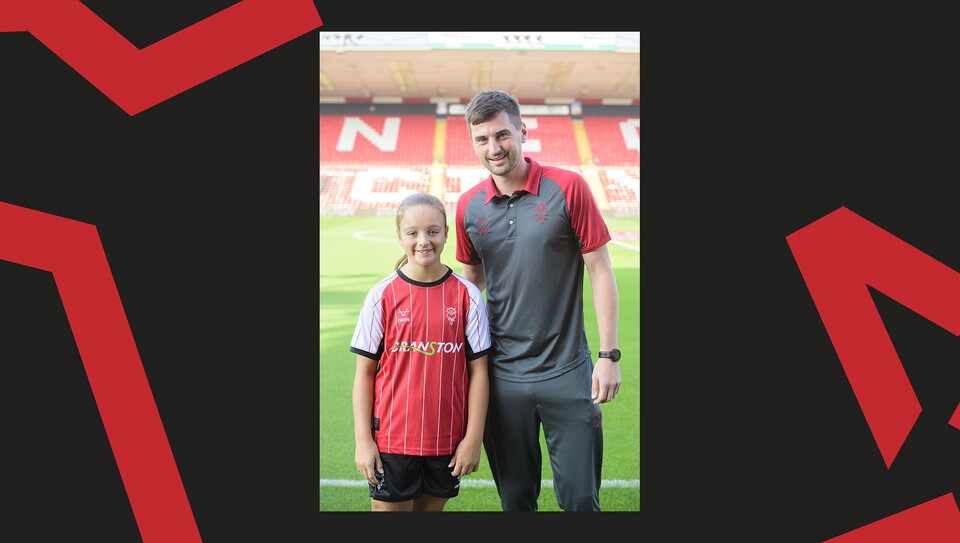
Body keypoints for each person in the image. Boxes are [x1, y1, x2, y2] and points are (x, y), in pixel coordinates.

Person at [455, 90, 621, 511]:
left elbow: (600, 270)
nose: (494, 148)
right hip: (501, 376)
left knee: (582, 502)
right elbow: (470, 284)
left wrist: (608, 355)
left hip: (567, 371)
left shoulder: (568, 187)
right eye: (482, 139)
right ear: (473, 143)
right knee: (516, 502)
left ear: (522, 132)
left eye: (502, 135)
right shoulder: (467, 207)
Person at [350, 192, 491, 511]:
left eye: (433, 231)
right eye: (412, 232)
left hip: (447, 442)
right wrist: (363, 441)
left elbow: (479, 372)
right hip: (391, 441)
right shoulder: (381, 295)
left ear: (446, 234)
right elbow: (365, 373)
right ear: (399, 236)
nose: (423, 241)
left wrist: (472, 439)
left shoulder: (467, 295)